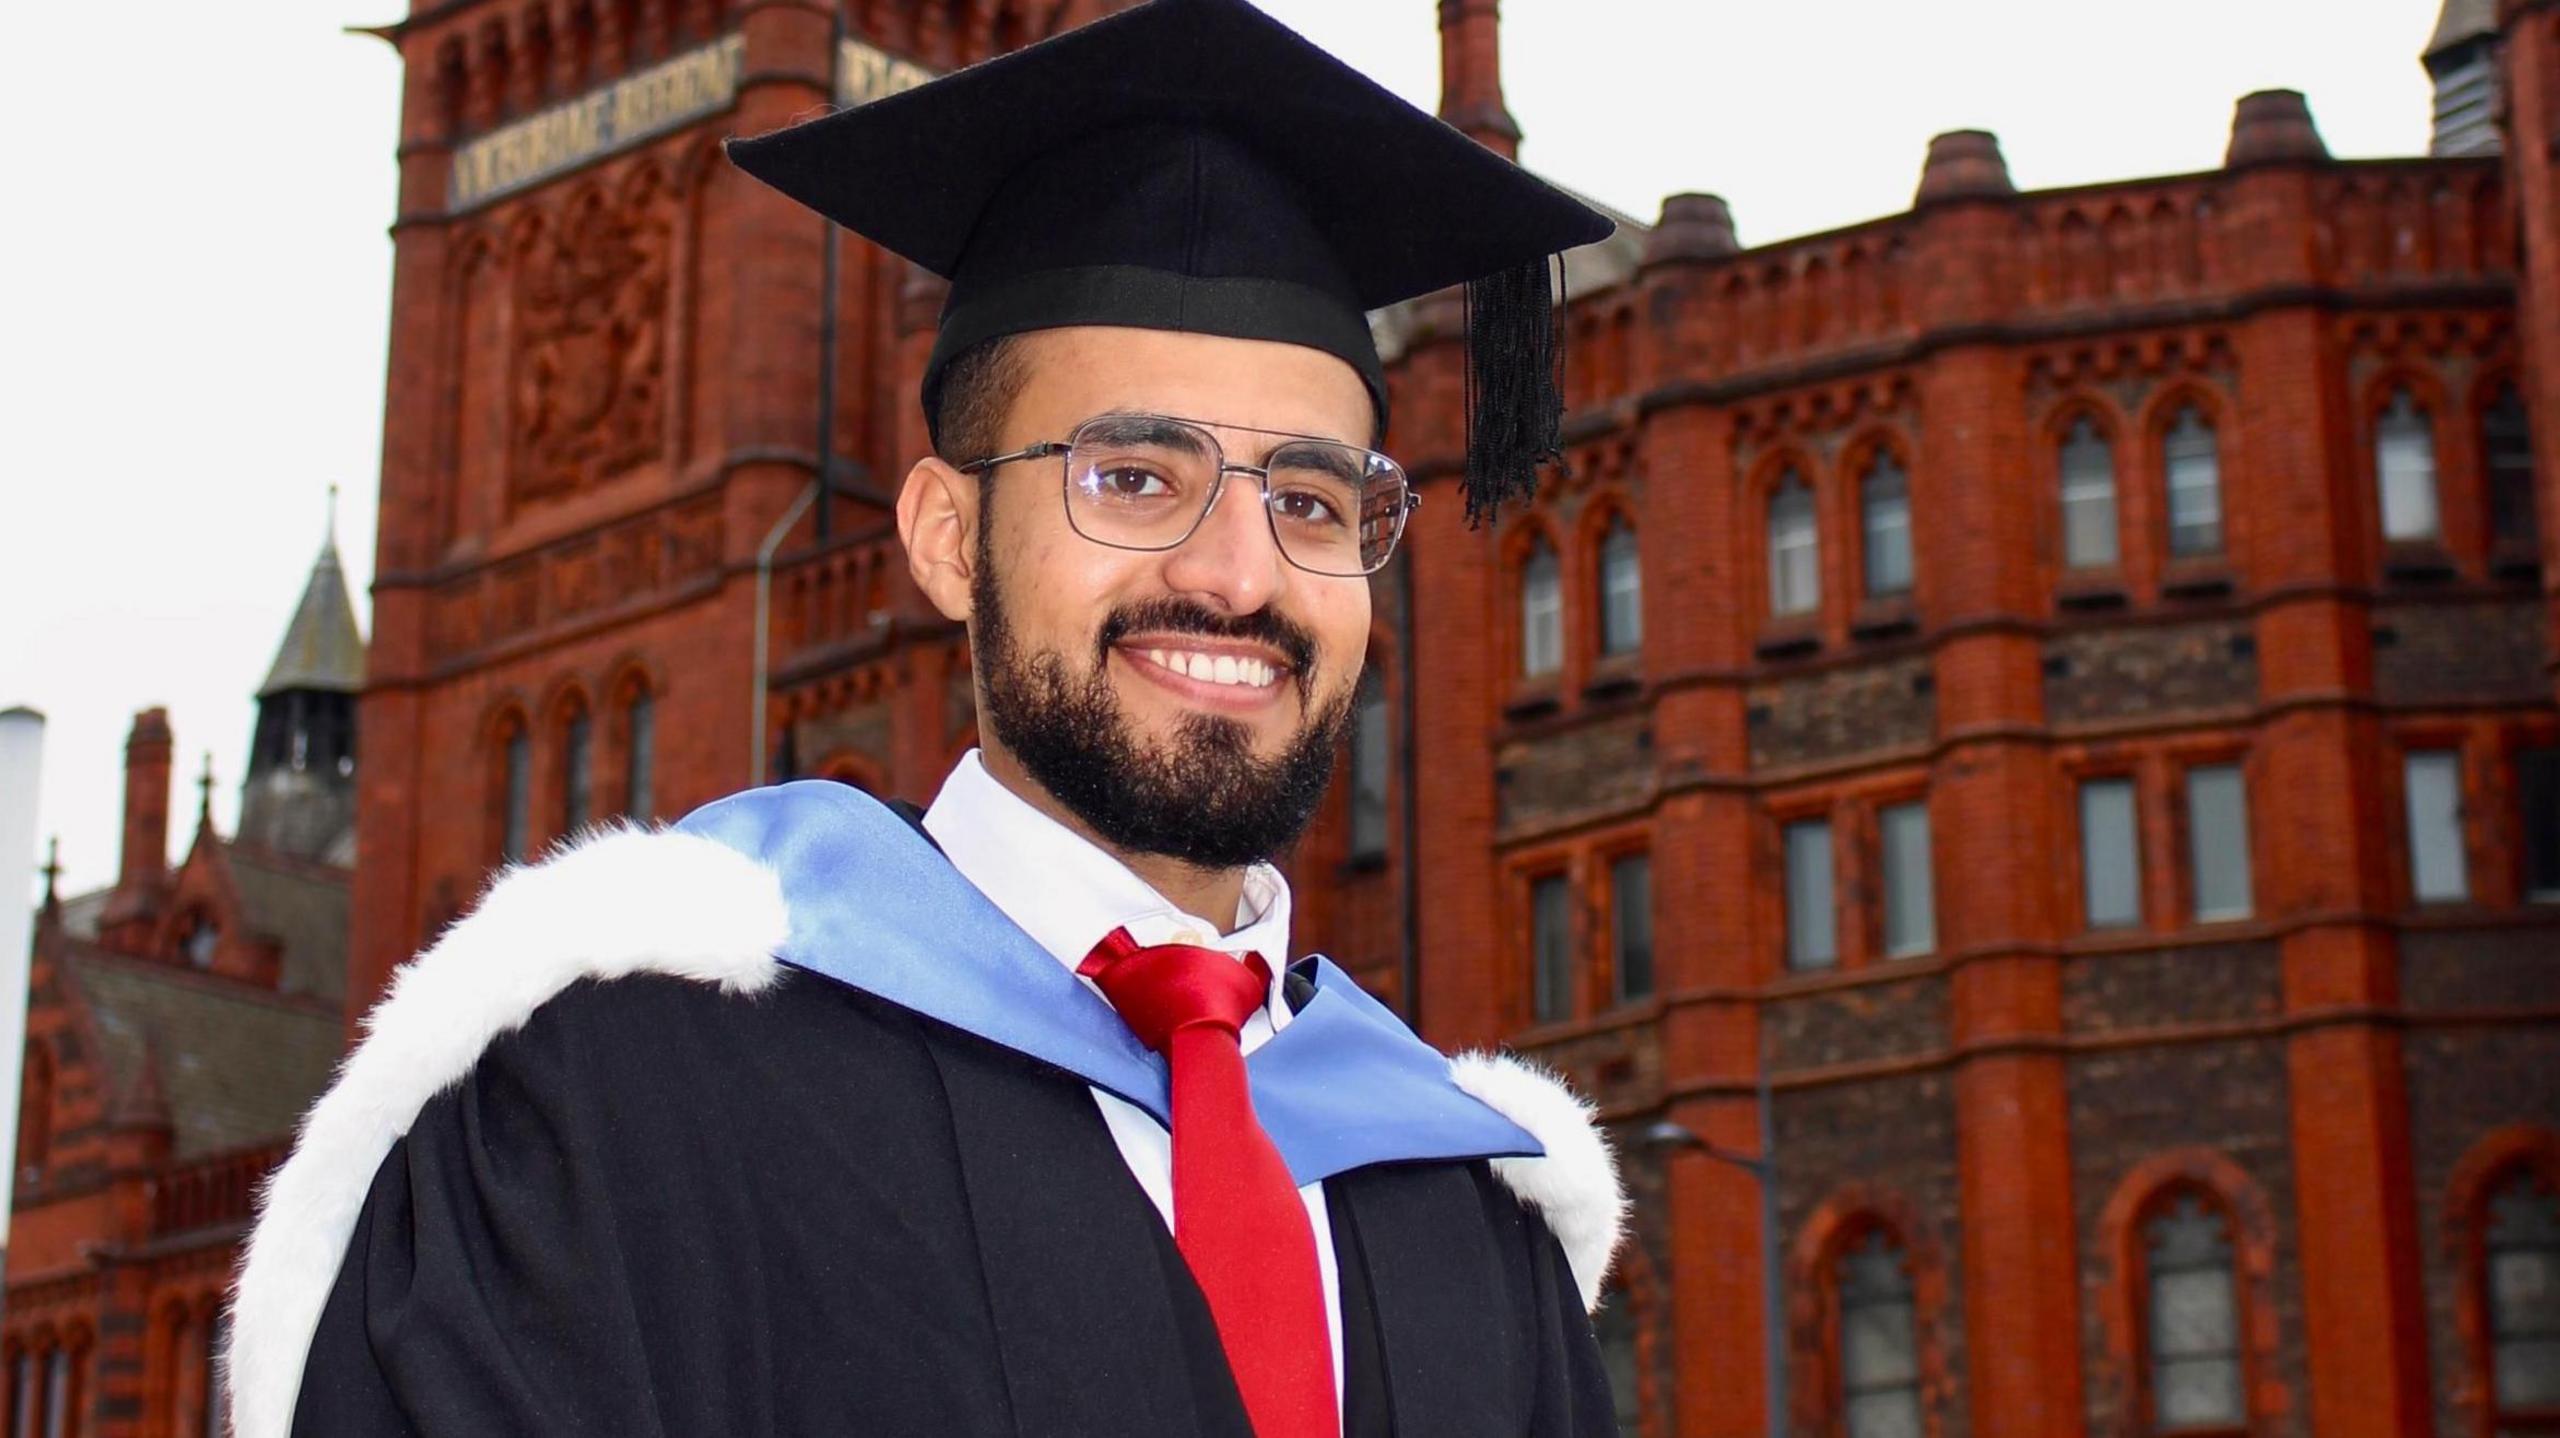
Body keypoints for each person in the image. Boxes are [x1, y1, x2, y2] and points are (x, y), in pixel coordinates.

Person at [226, 1, 1625, 1434]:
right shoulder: (626, 1095)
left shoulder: (1468, 1209)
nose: (1237, 573)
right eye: (1134, 477)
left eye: (1314, 501)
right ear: (948, 538)